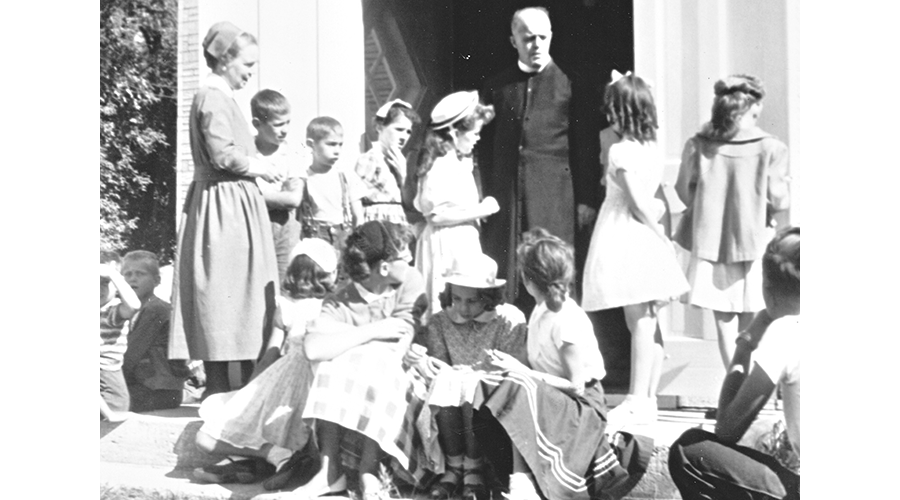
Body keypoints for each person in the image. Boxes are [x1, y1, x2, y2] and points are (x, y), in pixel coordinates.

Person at [484, 228, 649, 500]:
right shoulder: (540, 309)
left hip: (582, 407)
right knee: (502, 382)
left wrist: (522, 373)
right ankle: (499, 476)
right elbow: (533, 362)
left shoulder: (566, 320)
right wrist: (506, 363)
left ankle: (522, 484)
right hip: (551, 396)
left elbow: (578, 387)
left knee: (518, 385)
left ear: (528, 279)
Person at [169, 21, 281, 397]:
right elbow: (222, 154)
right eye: (247, 64)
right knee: (227, 294)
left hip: (234, 202)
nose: (251, 73)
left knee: (243, 296)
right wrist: (260, 166)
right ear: (224, 61)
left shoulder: (223, 97)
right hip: (224, 206)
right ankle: (221, 393)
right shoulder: (212, 97)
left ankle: (242, 391)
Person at [581, 71, 689, 430]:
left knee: (638, 318)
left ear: (621, 112)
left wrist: (657, 232)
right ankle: (649, 397)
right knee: (649, 318)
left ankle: (636, 398)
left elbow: (637, 200)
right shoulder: (650, 148)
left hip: (628, 230)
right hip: (643, 230)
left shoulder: (621, 150)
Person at [287, 221, 426, 500]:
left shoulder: (409, 282)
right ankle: (330, 472)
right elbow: (313, 349)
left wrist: (345, 338)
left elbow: (398, 344)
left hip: (400, 381)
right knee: (328, 366)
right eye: (405, 256)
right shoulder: (340, 300)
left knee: (371, 361)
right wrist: (372, 331)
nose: (411, 260)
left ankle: (369, 470)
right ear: (384, 268)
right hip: (355, 389)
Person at [479, 6, 601, 311]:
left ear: (551, 37)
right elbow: (484, 148)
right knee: (507, 273)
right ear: (513, 41)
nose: (535, 44)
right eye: (528, 38)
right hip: (506, 198)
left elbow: (584, 145)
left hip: (554, 198)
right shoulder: (497, 87)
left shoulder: (571, 84)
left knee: (552, 271)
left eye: (542, 37)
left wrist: (586, 198)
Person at [192, 238, 338, 489]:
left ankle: (261, 463)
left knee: (204, 438)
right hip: (281, 384)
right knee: (212, 433)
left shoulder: (319, 307)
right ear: (328, 273)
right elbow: (272, 351)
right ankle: (275, 457)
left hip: (307, 385)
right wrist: (250, 391)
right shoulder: (296, 306)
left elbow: (272, 351)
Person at [668, 227, 800, 500]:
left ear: (767, 289)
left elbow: (726, 430)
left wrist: (747, 343)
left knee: (690, 449)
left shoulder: (788, 331)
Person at [673, 74, 791, 369]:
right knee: (751, 321)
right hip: (753, 243)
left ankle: (733, 385)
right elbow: (780, 201)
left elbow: (682, 190)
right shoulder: (770, 148)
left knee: (723, 323)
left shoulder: (699, 145)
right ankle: (748, 392)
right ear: (752, 109)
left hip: (711, 244)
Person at [410, 252, 528, 500]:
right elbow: (440, 366)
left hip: (491, 400)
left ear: (489, 296)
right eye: (457, 298)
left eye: (472, 301)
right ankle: (454, 466)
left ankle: (474, 466)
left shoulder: (509, 319)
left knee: (474, 384)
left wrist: (472, 374)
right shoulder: (441, 322)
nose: (463, 308)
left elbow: (508, 370)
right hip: (451, 402)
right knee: (449, 382)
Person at [413, 90, 499, 317]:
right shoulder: (441, 165)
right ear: (453, 132)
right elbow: (436, 216)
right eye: (474, 133)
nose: (477, 139)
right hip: (447, 244)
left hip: (459, 240)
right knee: (450, 306)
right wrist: (481, 210)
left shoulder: (456, 162)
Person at [251, 89, 310, 286]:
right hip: (253, 225)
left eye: (288, 123)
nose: (285, 130)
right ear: (257, 125)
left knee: (285, 284)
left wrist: (259, 194)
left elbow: (294, 199)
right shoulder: (247, 154)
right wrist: (280, 194)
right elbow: (240, 194)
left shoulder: (293, 152)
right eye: (278, 125)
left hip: (286, 228)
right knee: (254, 285)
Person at [121, 251, 191, 413]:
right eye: (127, 274)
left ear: (157, 280)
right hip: (140, 387)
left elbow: (131, 355)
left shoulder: (157, 310)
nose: (133, 279)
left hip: (160, 391)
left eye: (140, 274)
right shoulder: (127, 310)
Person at [299, 116, 367, 253]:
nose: (337, 150)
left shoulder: (347, 177)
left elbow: (358, 216)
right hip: (314, 238)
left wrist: (357, 244)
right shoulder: (303, 179)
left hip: (343, 237)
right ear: (311, 144)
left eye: (340, 144)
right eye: (331, 144)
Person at [355, 99, 421, 224]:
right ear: (380, 127)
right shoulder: (369, 159)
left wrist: (403, 176)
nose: (404, 137)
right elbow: (356, 199)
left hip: (397, 224)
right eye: (399, 129)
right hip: (377, 224)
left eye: (408, 132)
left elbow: (410, 204)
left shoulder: (399, 161)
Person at [100, 250, 141, 421]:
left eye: (104, 283)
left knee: (118, 406)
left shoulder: (111, 310)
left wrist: (113, 274)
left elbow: (134, 305)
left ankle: (108, 413)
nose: (98, 289)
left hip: (107, 375)